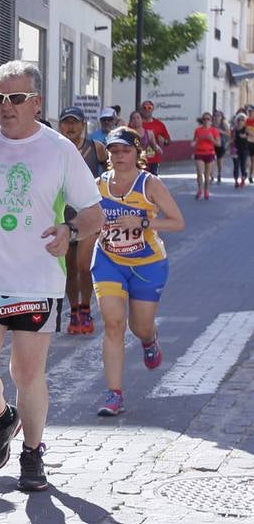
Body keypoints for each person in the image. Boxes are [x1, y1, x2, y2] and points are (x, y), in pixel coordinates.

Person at [0, 60, 102, 493]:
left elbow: (94, 215)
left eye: (15, 98)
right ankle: (2, 416)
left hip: (38, 280)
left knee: (27, 372)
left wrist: (69, 231)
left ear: (36, 103)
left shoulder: (59, 149)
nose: (5, 107)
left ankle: (32, 453)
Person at [90, 127, 185, 417]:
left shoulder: (150, 184)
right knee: (114, 324)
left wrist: (142, 222)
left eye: (125, 150)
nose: (119, 156)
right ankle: (114, 394)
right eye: (113, 151)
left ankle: (149, 339)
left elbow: (177, 222)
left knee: (139, 326)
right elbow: (85, 216)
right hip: (109, 260)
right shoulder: (97, 184)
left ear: (136, 153)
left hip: (147, 264)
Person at [56, 107, 106, 336]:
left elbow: (110, 169)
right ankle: (74, 310)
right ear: (60, 125)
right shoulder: (54, 149)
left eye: (74, 122)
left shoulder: (95, 147)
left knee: (85, 266)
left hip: (87, 214)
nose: (70, 127)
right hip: (62, 214)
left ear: (83, 124)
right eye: (66, 122)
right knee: (69, 267)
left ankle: (85, 308)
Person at [139, 100, 171, 178]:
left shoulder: (159, 124)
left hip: (154, 159)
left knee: (153, 181)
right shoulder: (136, 123)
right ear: (141, 109)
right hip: (139, 159)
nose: (147, 110)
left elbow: (168, 141)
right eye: (144, 108)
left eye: (149, 108)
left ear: (153, 109)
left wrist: (165, 141)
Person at [192, 113, 219, 201]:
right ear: (202, 120)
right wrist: (193, 143)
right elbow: (194, 140)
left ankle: (206, 191)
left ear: (211, 121)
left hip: (210, 153)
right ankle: (200, 190)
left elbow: (218, 144)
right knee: (199, 173)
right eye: (204, 119)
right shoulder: (198, 130)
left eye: (208, 119)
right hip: (199, 153)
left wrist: (212, 139)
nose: (206, 121)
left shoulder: (214, 131)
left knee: (207, 175)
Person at [128, 110, 163, 175]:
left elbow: (154, 146)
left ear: (142, 120)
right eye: (133, 118)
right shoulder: (128, 134)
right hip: (132, 164)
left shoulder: (149, 133)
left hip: (146, 163)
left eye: (138, 118)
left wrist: (158, 148)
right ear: (131, 121)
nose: (136, 120)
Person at [233, 110, 249, 187]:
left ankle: (243, 178)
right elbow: (232, 138)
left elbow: (250, 135)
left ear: (245, 121)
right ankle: (236, 181)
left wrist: (245, 136)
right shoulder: (234, 129)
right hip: (235, 149)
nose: (240, 121)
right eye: (239, 119)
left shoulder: (246, 129)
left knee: (243, 165)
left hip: (244, 149)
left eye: (242, 120)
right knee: (236, 165)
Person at [212, 110, 228, 184]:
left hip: (221, 144)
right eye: (215, 115)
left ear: (221, 117)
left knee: (219, 160)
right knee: (211, 160)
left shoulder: (224, 125)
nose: (217, 117)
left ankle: (219, 174)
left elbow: (228, 134)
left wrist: (220, 131)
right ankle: (211, 175)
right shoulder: (211, 124)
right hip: (211, 144)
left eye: (218, 116)